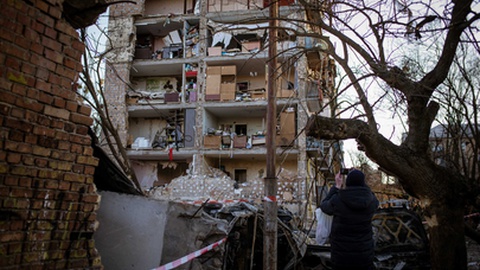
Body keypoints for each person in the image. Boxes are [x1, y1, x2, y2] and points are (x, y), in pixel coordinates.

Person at [320, 169, 379, 270]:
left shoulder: (337, 199)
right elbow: (368, 193)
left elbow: (324, 206)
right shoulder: (372, 201)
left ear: (347, 182)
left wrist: (337, 186)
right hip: (364, 254)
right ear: (363, 183)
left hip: (341, 256)